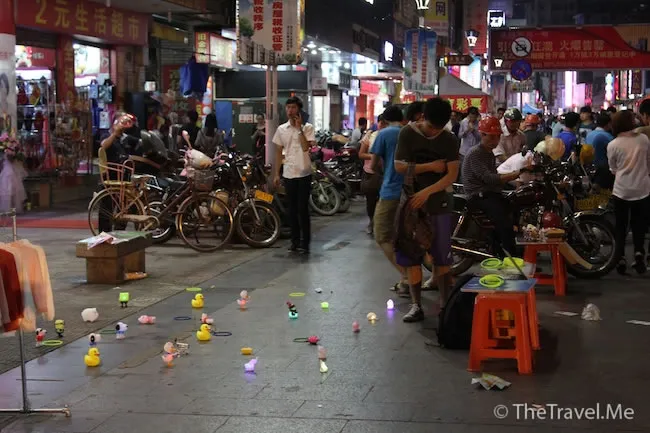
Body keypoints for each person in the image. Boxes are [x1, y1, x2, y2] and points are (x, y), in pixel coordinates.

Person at [393, 98, 459, 322]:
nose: (434, 132)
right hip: (411, 203)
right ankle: (416, 306)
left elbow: (451, 174)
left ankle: (445, 306)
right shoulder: (407, 134)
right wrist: (430, 166)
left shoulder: (449, 139)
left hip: (439, 203)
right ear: (422, 117)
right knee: (411, 255)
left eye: (439, 129)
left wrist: (427, 192)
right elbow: (399, 166)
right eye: (431, 127)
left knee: (442, 257)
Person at [462, 116, 529, 258]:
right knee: (504, 223)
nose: (495, 141)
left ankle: (500, 248)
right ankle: (510, 257)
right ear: (482, 135)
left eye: (498, 137)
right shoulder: (476, 153)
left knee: (516, 204)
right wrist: (514, 174)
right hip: (478, 195)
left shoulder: (489, 153)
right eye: (491, 137)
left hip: (489, 193)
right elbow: (489, 178)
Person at [370, 105, 409, 296]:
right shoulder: (409, 132)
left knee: (381, 235)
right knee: (403, 237)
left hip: (391, 191)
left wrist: (384, 171)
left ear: (384, 120)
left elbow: (373, 164)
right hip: (411, 192)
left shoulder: (383, 134)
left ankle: (407, 276)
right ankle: (407, 278)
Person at [607, 110, 650, 275]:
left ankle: (620, 257)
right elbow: (648, 162)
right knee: (639, 224)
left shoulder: (613, 144)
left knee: (621, 226)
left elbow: (613, 168)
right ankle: (639, 253)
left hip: (621, 190)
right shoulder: (643, 140)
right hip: (642, 189)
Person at [272, 97, 316, 255]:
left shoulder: (308, 128)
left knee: (302, 209)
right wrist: (276, 174)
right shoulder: (281, 129)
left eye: (293, 107)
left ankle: (306, 242)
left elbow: (305, 148)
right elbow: (278, 152)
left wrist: (299, 129)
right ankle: (294, 241)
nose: (290, 110)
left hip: (304, 172)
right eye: (288, 107)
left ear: (299, 110)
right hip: (289, 172)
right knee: (291, 209)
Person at [359, 114, 387, 235]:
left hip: (386, 174)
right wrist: (374, 156)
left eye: (386, 123)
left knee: (384, 201)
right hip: (370, 173)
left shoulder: (391, 136)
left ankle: (381, 224)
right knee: (371, 201)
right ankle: (372, 222)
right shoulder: (370, 135)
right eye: (381, 123)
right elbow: (361, 154)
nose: (383, 125)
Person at [586, 113, 615, 189]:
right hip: (604, 170)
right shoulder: (608, 137)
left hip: (590, 167)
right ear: (608, 124)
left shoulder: (589, 134)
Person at [458, 106, 481, 174]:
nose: (472, 119)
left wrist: (473, 131)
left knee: (473, 172)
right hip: (464, 152)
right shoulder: (463, 122)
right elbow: (459, 135)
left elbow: (480, 138)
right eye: (471, 117)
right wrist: (467, 130)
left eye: (474, 117)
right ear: (468, 115)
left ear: (477, 116)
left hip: (475, 151)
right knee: (464, 171)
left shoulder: (479, 123)